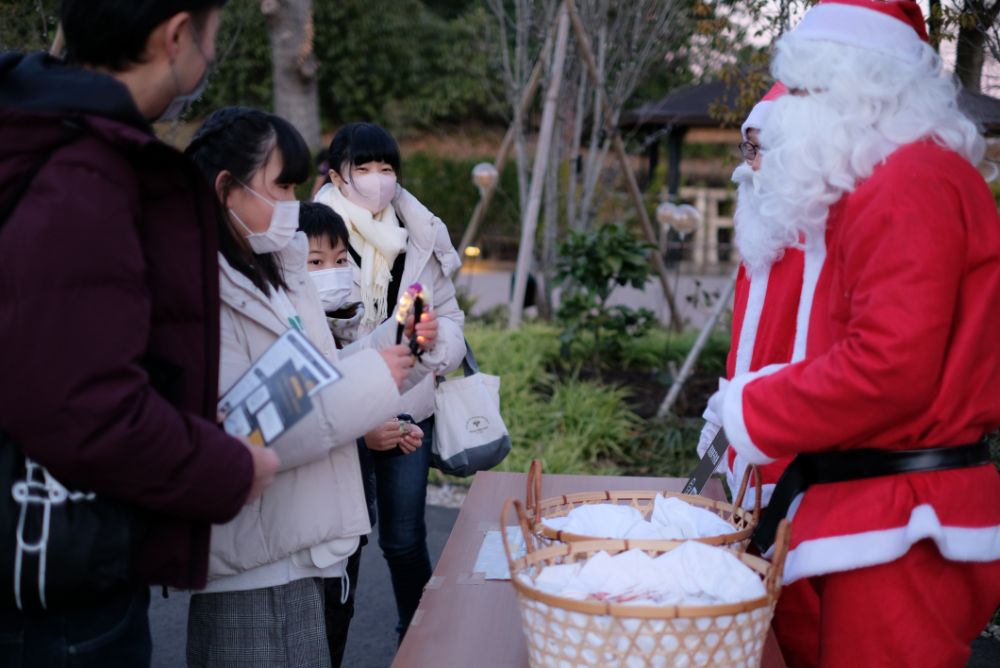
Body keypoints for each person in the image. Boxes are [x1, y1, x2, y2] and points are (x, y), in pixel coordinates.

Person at [708, 1, 1000, 665]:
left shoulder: (908, 183)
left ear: (853, 87)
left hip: (900, 521)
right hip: (875, 508)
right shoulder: (900, 178)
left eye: (803, 91)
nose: (787, 110)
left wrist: (751, 406)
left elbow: (888, 367)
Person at [0, 2, 278, 666]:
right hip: (57, 588)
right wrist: (231, 469)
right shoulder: (84, 172)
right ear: (177, 36)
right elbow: (86, 407)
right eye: (209, 39)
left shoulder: (32, 134)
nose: (208, 59)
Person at [183, 108, 425, 667]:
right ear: (226, 189)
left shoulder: (263, 271)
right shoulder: (206, 284)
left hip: (293, 549)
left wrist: (391, 351)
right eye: (283, 185)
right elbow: (251, 429)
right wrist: (378, 373)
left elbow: (301, 377)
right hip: (253, 565)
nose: (295, 202)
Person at [315, 122, 466, 642]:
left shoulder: (419, 233)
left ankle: (420, 642)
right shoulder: (313, 235)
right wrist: (361, 422)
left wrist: (434, 347)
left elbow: (447, 312)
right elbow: (307, 341)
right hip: (338, 418)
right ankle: (328, 645)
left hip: (409, 406)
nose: (378, 179)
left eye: (386, 168)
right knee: (343, 546)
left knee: (404, 541)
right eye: (363, 168)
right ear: (337, 174)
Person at [297, 202, 425, 665]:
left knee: (335, 630)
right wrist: (364, 434)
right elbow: (297, 430)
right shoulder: (290, 338)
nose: (331, 272)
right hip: (308, 531)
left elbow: (351, 406)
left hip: (347, 524)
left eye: (338, 260)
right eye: (315, 263)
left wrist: (389, 432)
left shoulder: (344, 330)